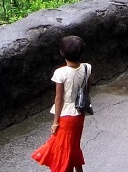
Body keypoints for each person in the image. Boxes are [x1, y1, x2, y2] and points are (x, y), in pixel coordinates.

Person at [31, 36, 90, 172]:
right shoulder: (87, 68)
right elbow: (86, 92)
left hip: (66, 116)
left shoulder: (60, 73)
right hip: (79, 114)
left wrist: (55, 122)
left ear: (62, 53)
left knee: (64, 151)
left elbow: (59, 99)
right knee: (74, 145)